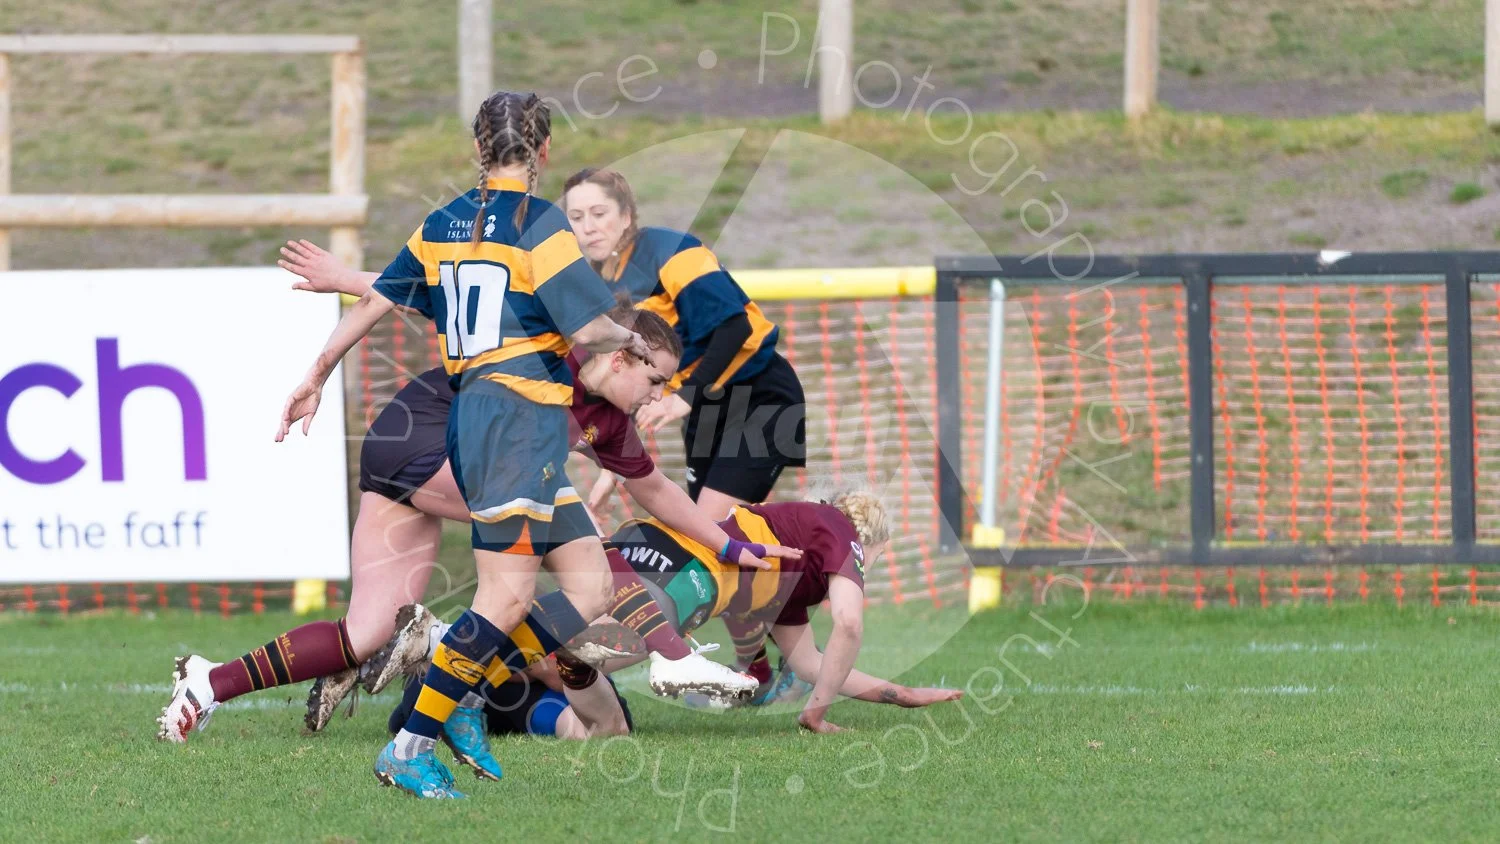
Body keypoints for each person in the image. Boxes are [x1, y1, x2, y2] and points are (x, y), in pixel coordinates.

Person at [155, 306, 791, 746]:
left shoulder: (612, 422)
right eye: (654, 380)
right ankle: (443, 647)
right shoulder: (551, 350)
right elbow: (436, 290)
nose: (658, 396)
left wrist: (730, 544)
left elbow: (654, 490)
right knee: (569, 545)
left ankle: (209, 683)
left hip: (425, 470)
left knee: (364, 633)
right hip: (422, 442)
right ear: (623, 357)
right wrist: (342, 289)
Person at [563, 168, 807, 521]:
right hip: (704, 406)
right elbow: (627, 374)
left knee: (710, 531)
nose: (588, 226)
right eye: (576, 217)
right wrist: (610, 470)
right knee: (710, 537)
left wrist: (684, 396)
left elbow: (734, 326)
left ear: (626, 215)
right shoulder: (599, 280)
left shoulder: (671, 251)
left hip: (758, 395)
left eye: (599, 214)